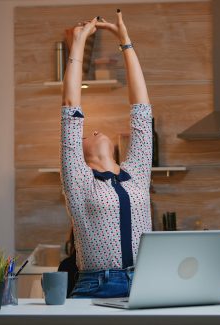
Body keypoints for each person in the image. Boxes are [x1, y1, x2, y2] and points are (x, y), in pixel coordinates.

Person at [60, 9, 152, 298]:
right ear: (79, 152)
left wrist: (125, 40)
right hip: (97, 285)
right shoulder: (80, 181)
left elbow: (142, 109)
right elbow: (70, 105)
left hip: (147, 282)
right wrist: (79, 43)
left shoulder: (134, 173)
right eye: (86, 134)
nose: (94, 131)